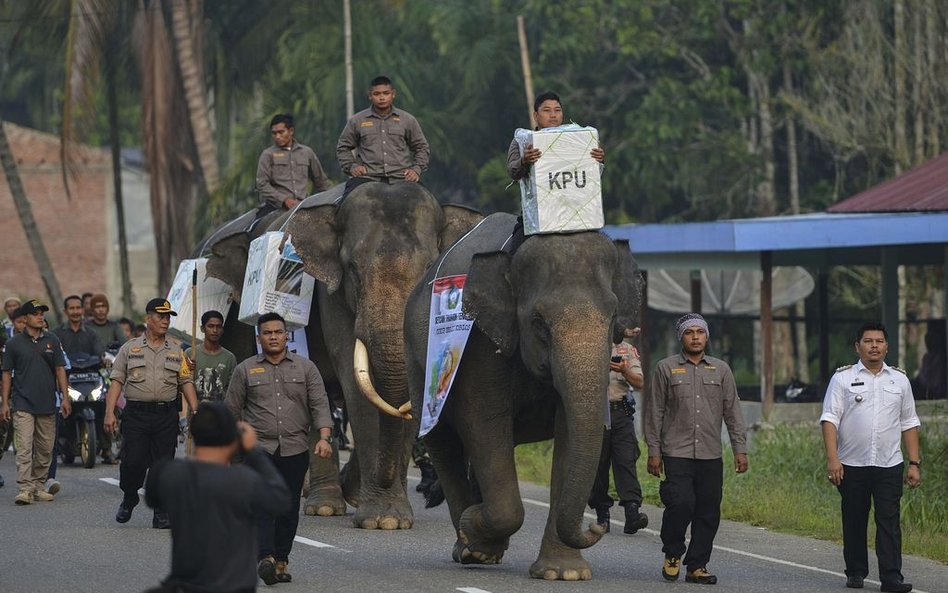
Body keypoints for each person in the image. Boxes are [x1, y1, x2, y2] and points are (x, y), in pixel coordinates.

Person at [226, 312, 333, 586]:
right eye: (267, 332)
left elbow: (319, 404)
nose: (273, 336)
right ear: (259, 337)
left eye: (278, 332)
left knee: (287, 507)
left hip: (295, 448)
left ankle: (281, 558)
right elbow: (232, 409)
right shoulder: (245, 369)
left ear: (287, 335)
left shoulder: (306, 368)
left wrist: (324, 437)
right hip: (258, 448)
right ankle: (266, 557)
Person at [144, 402, 291, 593]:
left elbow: (151, 498)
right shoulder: (244, 481)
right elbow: (281, 500)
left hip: (185, 586)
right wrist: (254, 450)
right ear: (233, 439)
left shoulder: (169, 473)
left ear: (194, 435)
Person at [644, 313, 748, 585]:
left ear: (706, 336)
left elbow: (733, 412)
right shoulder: (666, 368)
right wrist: (653, 451)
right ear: (681, 337)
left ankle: (697, 565)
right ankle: (673, 553)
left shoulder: (721, 370)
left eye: (700, 332)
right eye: (689, 332)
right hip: (675, 452)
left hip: (710, 454)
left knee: (708, 510)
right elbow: (655, 411)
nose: (695, 337)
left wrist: (740, 448)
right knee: (680, 503)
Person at [820, 322, 921, 593]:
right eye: (868, 341)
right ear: (858, 346)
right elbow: (829, 419)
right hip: (852, 464)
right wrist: (833, 459)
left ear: (887, 346)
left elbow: (909, 422)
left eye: (879, 341)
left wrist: (914, 463)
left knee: (888, 520)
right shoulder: (842, 378)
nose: (874, 345)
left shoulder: (899, 380)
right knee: (854, 518)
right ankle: (855, 571)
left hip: (889, 463)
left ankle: (891, 577)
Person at [103, 298, 198, 528]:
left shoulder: (177, 350)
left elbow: (185, 381)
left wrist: (196, 410)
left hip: (165, 416)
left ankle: (161, 510)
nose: (165, 321)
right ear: (148, 319)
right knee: (132, 462)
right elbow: (116, 381)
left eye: (168, 317)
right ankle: (129, 496)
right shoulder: (129, 348)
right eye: (161, 316)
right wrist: (109, 412)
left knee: (163, 465)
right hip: (136, 414)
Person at [0, 300, 71, 505]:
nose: (40, 317)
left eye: (42, 313)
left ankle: (39, 486)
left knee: (45, 448)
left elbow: (60, 369)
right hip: (22, 403)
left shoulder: (52, 340)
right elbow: (6, 374)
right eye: (36, 313)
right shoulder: (13, 344)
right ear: (25, 318)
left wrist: (65, 397)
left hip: (48, 402)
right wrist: (5, 403)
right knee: (24, 446)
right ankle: (25, 488)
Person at [588, 326, 649, 535]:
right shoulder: (588, 346)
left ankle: (632, 513)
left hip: (620, 412)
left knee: (626, 461)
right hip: (595, 413)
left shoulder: (627, 350)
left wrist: (624, 370)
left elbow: (640, 382)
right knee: (598, 464)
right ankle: (602, 515)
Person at [336, 75, 430, 197]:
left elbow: (421, 147)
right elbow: (343, 147)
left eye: (386, 93)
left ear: (393, 94)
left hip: (402, 178)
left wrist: (416, 170)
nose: (382, 97)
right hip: (367, 178)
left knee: (427, 206)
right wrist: (352, 166)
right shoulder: (357, 120)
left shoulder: (407, 120)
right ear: (370, 95)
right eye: (377, 94)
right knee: (345, 207)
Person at [54, 295, 113, 466]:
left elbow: (100, 353)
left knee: (105, 406)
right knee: (58, 412)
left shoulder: (91, 334)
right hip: (66, 380)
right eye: (71, 308)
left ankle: (107, 449)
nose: (75, 312)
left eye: (78, 308)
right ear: (66, 311)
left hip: (91, 379)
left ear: (83, 310)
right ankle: (58, 443)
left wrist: (105, 359)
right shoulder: (57, 334)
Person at [255, 113, 333, 212]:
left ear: (291, 131)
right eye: (274, 133)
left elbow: (321, 182)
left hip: (303, 206)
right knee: (258, 227)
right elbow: (262, 184)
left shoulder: (306, 152)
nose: (277, 136)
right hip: (274, 208)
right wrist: (284, 200)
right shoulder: (267, 154)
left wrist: (335, 198)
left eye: (281, 132)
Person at [185, 310, 236, 403]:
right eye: (211, 326)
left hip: (219, 412)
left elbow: (232, 389)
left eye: (218, 327)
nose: (215, 330)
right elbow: (182, 383)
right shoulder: (190, 354)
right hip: (195, 410)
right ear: (202, 329)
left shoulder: (229, 358)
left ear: (222, 329)